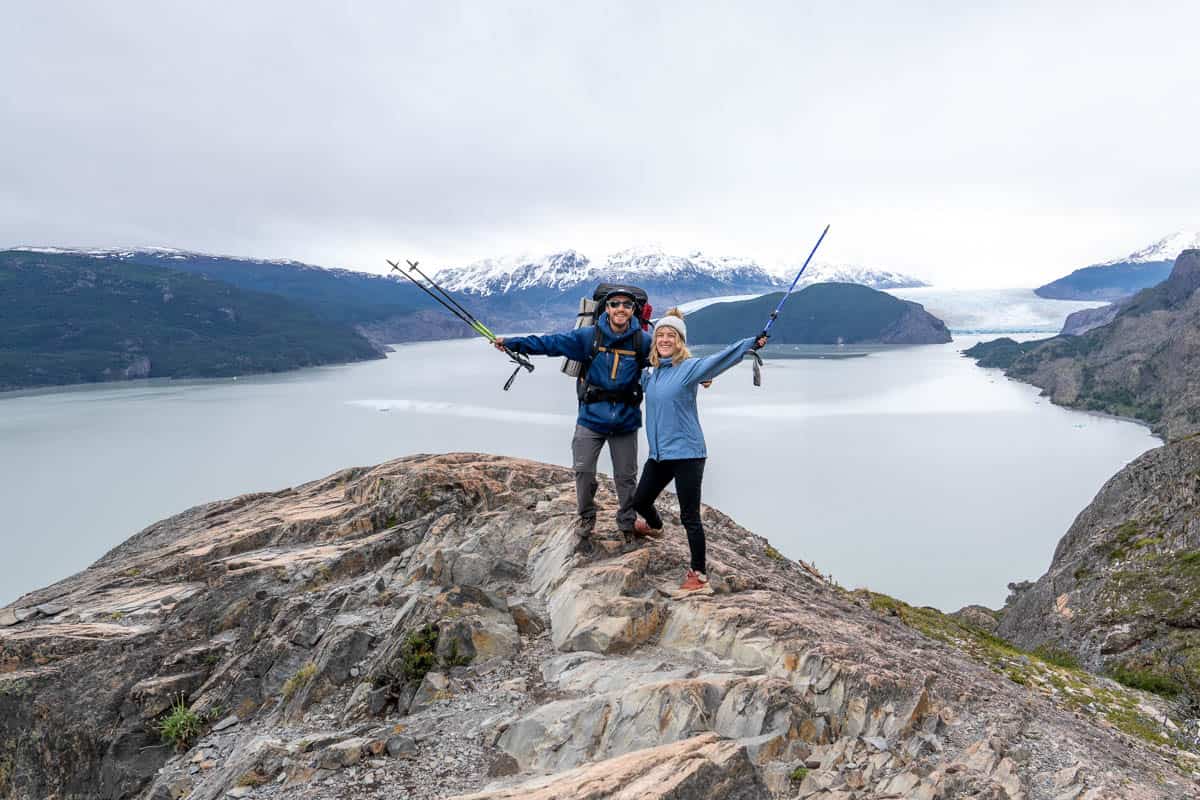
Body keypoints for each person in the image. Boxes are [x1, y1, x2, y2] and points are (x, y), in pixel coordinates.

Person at [494, 288, 652, 549]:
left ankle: (626, 524)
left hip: (625, 419)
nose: (621, 309)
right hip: (591, 417)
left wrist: (701, 375)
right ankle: (586, 517)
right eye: (615, 304)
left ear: (633, 309)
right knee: (583, 471)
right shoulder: (588, 337)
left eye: (626, 304)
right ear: (606, 308)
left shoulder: (643, 342)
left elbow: (670, 359)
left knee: (625, 477)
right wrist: (513, 342)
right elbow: (550, 343)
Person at [631, 308, 767, 592]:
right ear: (654, 341)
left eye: (671, 336)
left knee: (689, 516)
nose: (665, 339)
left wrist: (750, 343)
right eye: (661, 335)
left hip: (688, 454)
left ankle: (699, 575)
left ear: (680, 342)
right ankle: (655, 527)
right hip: (660, 455)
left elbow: (721, 359)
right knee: (641, 502)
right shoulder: (651, 375)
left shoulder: (688, 369)